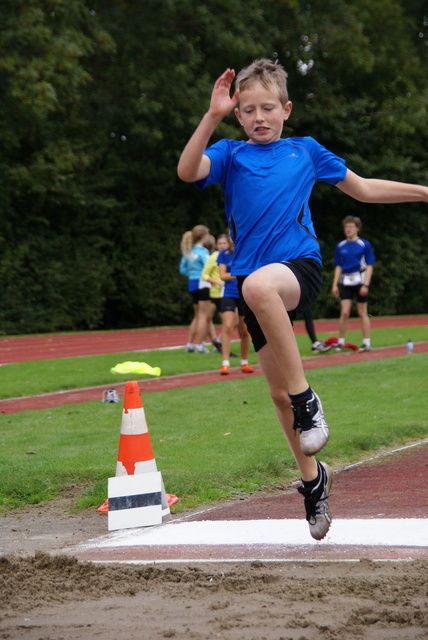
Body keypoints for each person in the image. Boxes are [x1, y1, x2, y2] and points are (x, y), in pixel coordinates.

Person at [177, 58, 428, 540]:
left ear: (286, 109)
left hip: (298, 269)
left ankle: (307, 400)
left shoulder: (305, 152)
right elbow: (188, 171)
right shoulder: (230, 154)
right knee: (273, 392)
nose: (258, 117)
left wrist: (420, 191)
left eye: (267, 107)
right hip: (258, 285)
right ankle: (315, 481)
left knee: (256, 289)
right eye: (247, 110)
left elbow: (365, 189)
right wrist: (210, 116)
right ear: (237, 116)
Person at [331, 216, 375, 352]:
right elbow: (338, 266)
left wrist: (366, 285)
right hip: (346, 280)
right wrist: (334, 284)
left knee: (362, 312)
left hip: (360, 280)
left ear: (357, 229)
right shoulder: (340, 246)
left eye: (351, 227)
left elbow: (369, 265)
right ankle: (341, 342)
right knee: (344, 312)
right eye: (346, 227)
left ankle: (366, 342)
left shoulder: (364, 245)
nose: (348, 229)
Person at [217, 234, 254, 375]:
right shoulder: (224, 254)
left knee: (244, 330)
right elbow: (222, 275)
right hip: (229, 294)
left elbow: (252, 272)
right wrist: (240, 273)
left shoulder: (246, 253)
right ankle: (225, 364)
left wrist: (236, 273)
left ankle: (244, 362)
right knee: (228, 326)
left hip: (243, 293)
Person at [179, 224, 212, 353]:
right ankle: (200, 345)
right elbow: (209, 267)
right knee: (204, 316)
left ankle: (189, 344)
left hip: (192, 283)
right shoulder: (203, 252)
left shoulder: (188, 250)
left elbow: (182, 268)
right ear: (204, 236)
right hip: (203, 283)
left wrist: (192, 275)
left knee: (197, 315)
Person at [201, 233, 229, 353]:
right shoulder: (214, 257)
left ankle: (217, 341)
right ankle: (215, 341)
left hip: (229, 292)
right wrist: (217, 282)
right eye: (220, 244)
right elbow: (204, 275)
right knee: (227, 321)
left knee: (231, 322)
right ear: (216, 245)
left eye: (224, 243)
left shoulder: (231, 255)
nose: (222, 246)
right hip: (217, 294)